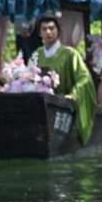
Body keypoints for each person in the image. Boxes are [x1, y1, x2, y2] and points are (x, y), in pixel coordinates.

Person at [34, 15, 98, 144]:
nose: (48, 32)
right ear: (39, 33)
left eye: (52, 28)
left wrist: (74, 95)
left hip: (63, 104)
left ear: (58, 31)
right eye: (44, 29)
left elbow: (84, 77)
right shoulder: (38, 54)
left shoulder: (70, 53)